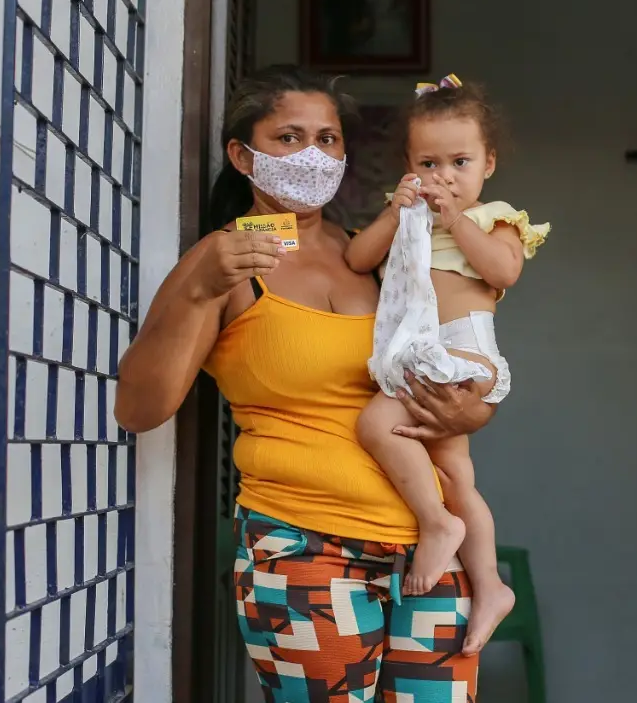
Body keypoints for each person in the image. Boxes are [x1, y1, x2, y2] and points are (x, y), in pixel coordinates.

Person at [114, 65, 496, 701]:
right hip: (304, 548)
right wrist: (201, 287)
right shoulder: (228, 256)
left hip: (429, 545)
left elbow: (447, 365)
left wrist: (469, 416)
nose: (314, 155)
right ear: (243, 154)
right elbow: (140, 408)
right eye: (289, 138)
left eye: (329, 139)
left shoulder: (373, 253)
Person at [346, 75, 550, 654]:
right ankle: (489, 587)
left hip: (462, 348)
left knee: (374, 426)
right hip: (416, 351)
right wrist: (396, 212)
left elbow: (503, 273)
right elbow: (357, 257)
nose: (444, 177)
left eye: (460, 161)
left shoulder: (495, 217)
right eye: (428, 163)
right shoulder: (406, 214)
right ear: (409, 166)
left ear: (488, 163)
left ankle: (436, 524)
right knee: (459, 477)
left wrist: (456, 220)